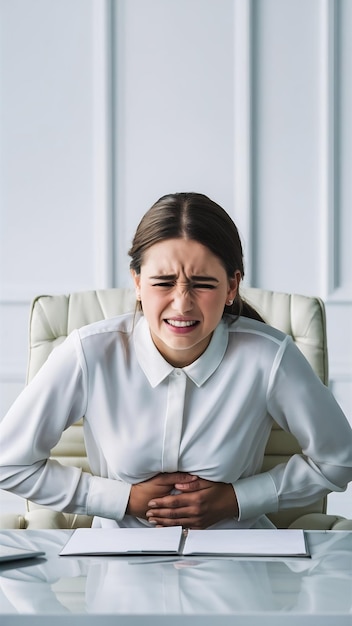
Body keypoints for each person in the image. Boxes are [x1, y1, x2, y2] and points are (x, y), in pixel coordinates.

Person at [1, 192, 352, 530]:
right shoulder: (89, 352)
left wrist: (236, 499)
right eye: (163, 283)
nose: (182, 304)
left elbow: (338, 459)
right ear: (137, 283)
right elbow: (9, 462)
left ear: (232, 287)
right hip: (118, 565)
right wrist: (122, 500)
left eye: (202, 284)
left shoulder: (270, 355)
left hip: (238, 557)